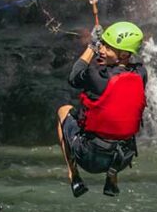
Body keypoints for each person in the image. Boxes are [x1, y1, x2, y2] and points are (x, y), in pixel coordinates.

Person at [56, 21, 147, 197]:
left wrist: (92, 45)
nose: (102, 50)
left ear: (124, 54)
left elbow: (74, 77)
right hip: (123, 158)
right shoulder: (141, 74)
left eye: (108, 47)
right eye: (102, 45)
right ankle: (112, 175)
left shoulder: (96, 76)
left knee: (64, 110)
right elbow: (128, 67)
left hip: (90, 157)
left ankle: (73, 175)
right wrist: (106, 44)